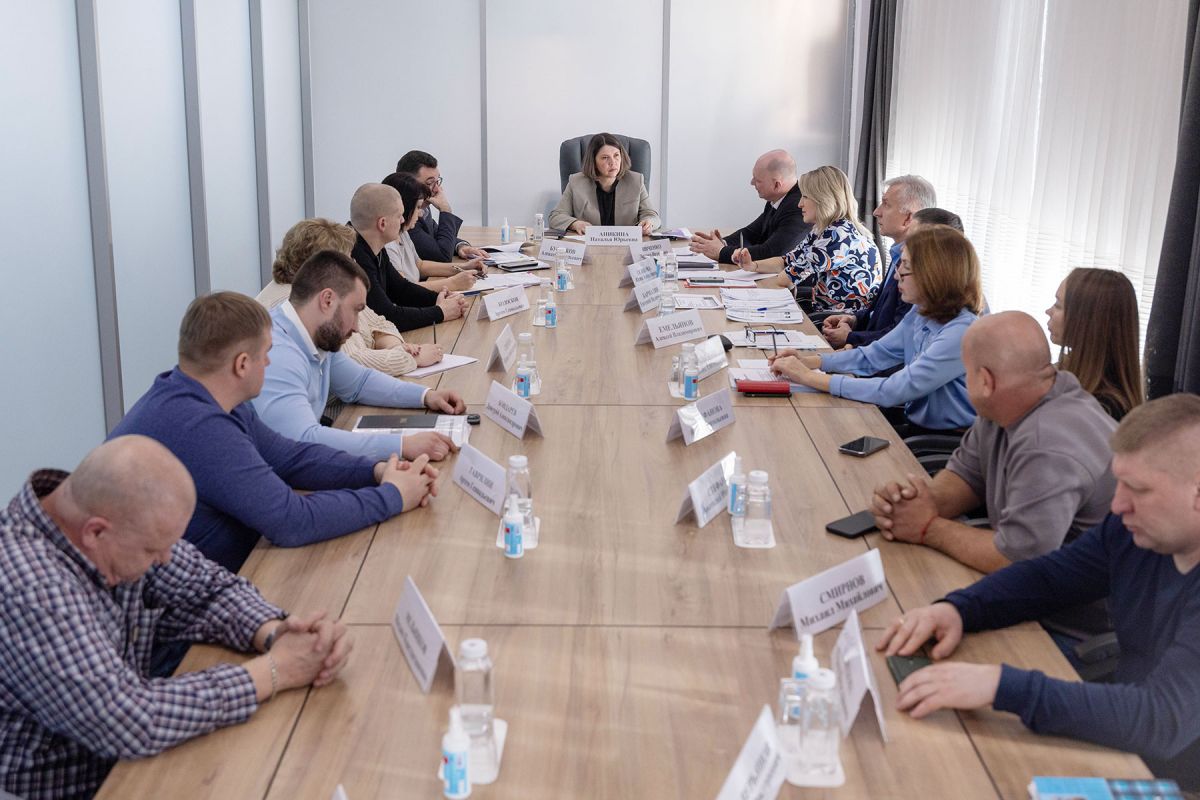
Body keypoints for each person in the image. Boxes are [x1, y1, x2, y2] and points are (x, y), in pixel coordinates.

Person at [0, 435, 354, 799]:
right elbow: (126, 720)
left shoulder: (111, 523)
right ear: (96, 532)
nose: (165, 558)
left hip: (128, 760)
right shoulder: (26, 582)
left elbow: (208, 588)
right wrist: (277, 669)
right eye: (153, 550)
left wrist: (278, 634)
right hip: (66, 786)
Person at [877, 393, 1200, 791]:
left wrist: (999, 685)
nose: (1118, 505)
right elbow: (1048, 579)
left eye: (1138, 489)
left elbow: (1160, 720)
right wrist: (957, 609)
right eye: (1119, 483)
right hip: (1123, 736)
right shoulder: (1132, 531)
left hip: (1167, 772)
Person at [110, 292, 438, 573]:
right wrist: (393, 496)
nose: (269, 363)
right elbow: (291, 521)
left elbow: (289, 457)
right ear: (241, 364)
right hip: (191, 607)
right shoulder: (200, 426)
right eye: (266, 353)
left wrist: (377, 471)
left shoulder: (204, 395)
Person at [870, 311, 1117, 574]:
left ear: (985, 381)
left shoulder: (1047, 442)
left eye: (966, 373)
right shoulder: (1008, 403)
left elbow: (1017, 559)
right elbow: (967, 476)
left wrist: (927, 527)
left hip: (1082, 592)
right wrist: (919, 504)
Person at [253, 249, 466, 463]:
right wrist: (402, 445)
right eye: (355, 310)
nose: (356, 327)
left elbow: (359, 383)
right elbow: (303, 440)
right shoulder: (276, 352)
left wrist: (426, 396)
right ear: (327, 300)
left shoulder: (313, 335)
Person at [769, 225, 982, 433]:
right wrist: (810, 361)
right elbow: (874, 355)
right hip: (913, 422)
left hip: (942, 440)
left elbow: (893, 390)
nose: (897, 276)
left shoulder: (961, 334)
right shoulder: (921, 311)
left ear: (933, 275)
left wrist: (809, 377)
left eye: (905, 268)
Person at [256, 217, 444, 376]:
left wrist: (395, 346)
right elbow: (351, 363)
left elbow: (378, 322)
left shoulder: (323, 286)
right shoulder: (297, 302)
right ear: (322, 264)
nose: (354, 263)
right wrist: (411, 358)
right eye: (348, 258)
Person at [734, 165, 881, 312]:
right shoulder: (824, 228)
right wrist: (753, 266)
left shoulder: (837, 236)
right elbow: (786, 261)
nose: (799, 204)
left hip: (841, 319)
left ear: (823, 199)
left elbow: (786, 278)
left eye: (805, 196)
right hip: (826, 308)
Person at [821, 175, 936, 347]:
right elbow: (880, 313)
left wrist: (851, 338)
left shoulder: (919, 267)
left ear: (908, 218)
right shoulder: (897, 252)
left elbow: (898, 337)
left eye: (886, 204)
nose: (876, 212)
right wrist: (854, 320)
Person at [349, 182, 468, 332]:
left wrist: (440, 298)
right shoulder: (354, 258)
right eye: (399, 216)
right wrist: (441, 312)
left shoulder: (371, 246)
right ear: (382, 223)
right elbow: (387, 315)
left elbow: (401, 289)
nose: (402, 220)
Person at [1046, 267, 1144, 421]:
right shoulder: (1065, 375)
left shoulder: (1104, 410)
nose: (1048, 311)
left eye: (1058, 305)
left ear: (1087, 321)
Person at [688, 149, 810, 263]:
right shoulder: (779, 198)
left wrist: (722, 252)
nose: (752, 183)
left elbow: (772, 253)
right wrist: (721, 243)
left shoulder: (798, 206)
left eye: (758, 180)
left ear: (777, 185)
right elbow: (751, 234)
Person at [381, 171, 484, 293]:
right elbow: (403, 290)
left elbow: (419, 265)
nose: (420, 214)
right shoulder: (389, 244)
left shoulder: (402, 233)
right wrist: (453, 283)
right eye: (418, 207)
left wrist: (464, 267)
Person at [549, 132, 660, 235]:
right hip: (589, 245)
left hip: (626, 245)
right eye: (605, 158)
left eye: (616, 155)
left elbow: (652, 215)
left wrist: (648, 222)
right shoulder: (576, 182)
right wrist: (575, 224)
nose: (613, 162)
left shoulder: (636, 180)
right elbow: (556, 217)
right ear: (593, 161)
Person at [395, 149, 488, 263]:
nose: (437, 189)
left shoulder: (424, 208)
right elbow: (442, 255)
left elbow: (436, 235)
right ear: (408, 183)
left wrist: (460, 246)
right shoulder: (404, 216)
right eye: (430, 183)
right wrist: (445, 209)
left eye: (437, 181)